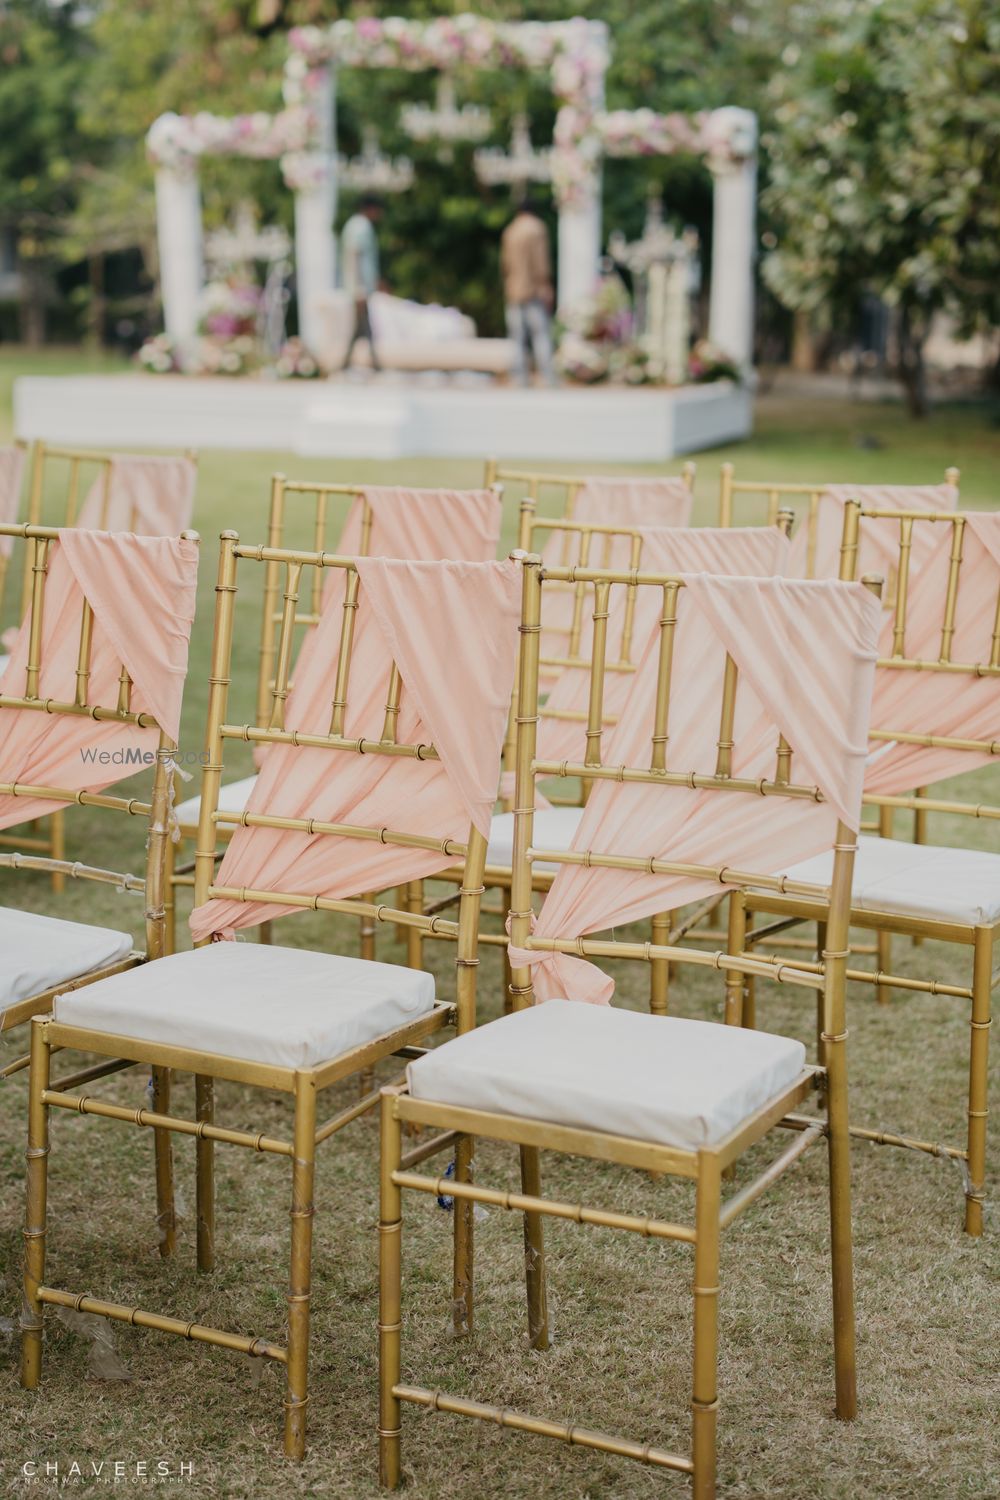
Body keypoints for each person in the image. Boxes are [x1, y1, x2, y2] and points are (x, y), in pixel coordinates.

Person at [500, 196, 557, 387]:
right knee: (540, 334)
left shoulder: (511, 230)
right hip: (534, 290)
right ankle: (547, 376)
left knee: (517, 337)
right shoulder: (537, 229)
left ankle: (519, 377)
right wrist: (546, 285)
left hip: (514, 289)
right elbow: (541, 262)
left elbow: (505, 264)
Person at [340, 195, 383, 371]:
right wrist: (359, 288)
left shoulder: (358, 225)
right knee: (363, 325)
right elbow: (354, 257)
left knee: (362, 326)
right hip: (359, 288)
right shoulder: (360, 226)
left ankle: (349, 362)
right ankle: (371, 362)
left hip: (361, 287)